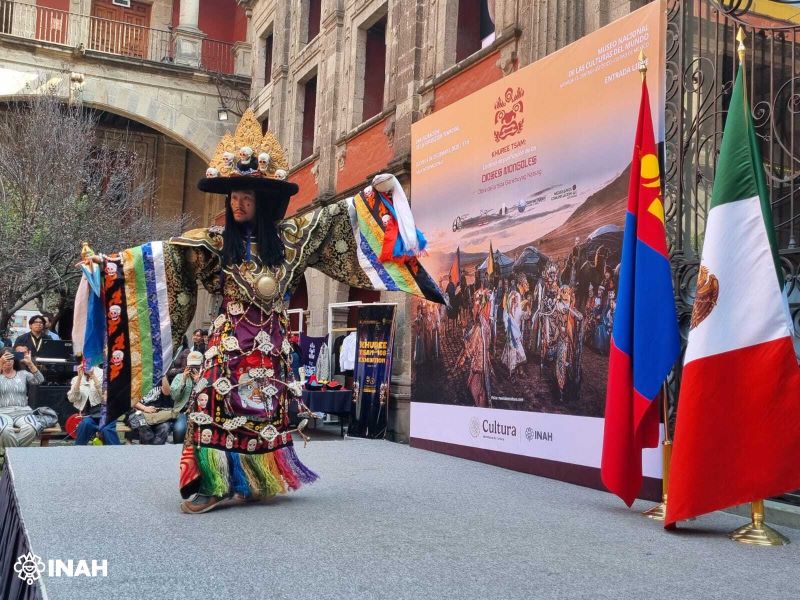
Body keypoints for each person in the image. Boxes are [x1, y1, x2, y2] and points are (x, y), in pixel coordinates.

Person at [79, 115, 443, 514]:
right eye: (233, 196)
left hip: (271, 348)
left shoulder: (290, 242)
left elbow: (333, 219)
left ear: (263, 201)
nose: (237, 203)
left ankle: (256, 478)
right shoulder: (215, 243)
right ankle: (211, 481)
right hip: (227, 345)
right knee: (210, 403)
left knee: (266, 410)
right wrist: (111, 265)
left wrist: (376, 196)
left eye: (247, 197)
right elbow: (166, 255)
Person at [0, 347, 45, 461]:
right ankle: (17, 459)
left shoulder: (23, 374)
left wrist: (30, 363)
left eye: (10, 358)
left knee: (33, 427)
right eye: (5, 358)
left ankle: (11, 457)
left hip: (23, 411)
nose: (8, 361)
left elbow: (40, 380)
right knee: (4, 430)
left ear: (14, 360)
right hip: (3, 412)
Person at [67, 364, 121, 446]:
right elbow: (72, 399)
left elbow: (106, 397)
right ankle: (78, 450)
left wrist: (93, 376)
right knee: (84, 425)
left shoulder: (104, 374)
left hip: (107, 413)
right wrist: (79, 378)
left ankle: (117, 452)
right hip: (90, 415)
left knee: (106, 430)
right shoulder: (76, 379)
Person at [168, 351, 204, 444]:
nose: (193, 369)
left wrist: (199, 382)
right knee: (179, 430)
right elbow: (174, 396)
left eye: (196, 366)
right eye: (191, 366)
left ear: (201, 365)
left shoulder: (205, 378)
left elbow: (206, 396)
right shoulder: (179, 377)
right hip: (182, 411)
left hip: (200, 412)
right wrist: (183, 381)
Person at [132, 376, 174, 445]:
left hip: (157, 414)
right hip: (139, 412)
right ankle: (149, 448)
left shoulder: (159, 377)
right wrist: (144, 408)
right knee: (143, 425)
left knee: (165, 427)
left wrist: (164, 376)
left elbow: (167, 392)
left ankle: (154, 449)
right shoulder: (136, 378)